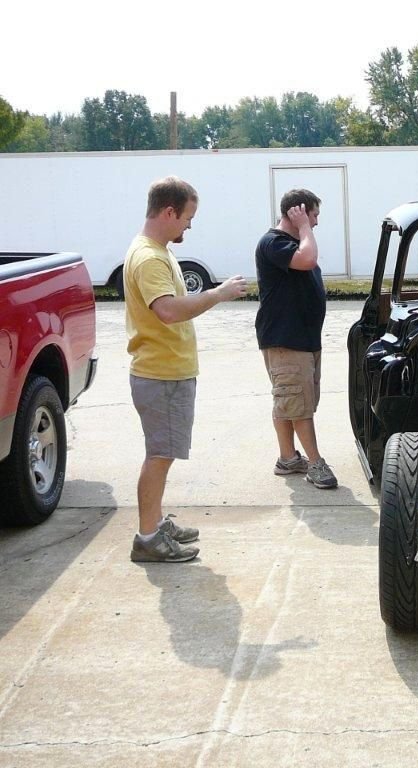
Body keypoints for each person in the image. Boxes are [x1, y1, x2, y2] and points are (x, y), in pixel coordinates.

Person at [124, 176, 247, 563]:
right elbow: (167, 310)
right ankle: (147, 537)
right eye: (187, 217)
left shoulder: (156, 251)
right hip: (160, 375)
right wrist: (217, 293)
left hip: (167, 372)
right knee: (159, 455)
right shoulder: (149, 257)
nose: (189, 226)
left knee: (163, 453)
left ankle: (156, 522)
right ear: (169, 211)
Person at [254, 189, 337, 490]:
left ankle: (288, 458)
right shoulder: (274, 242)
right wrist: (303, 227)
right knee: (297, 402)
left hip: (301, 338)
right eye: (313, 215)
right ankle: (315, 463)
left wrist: (304, 230)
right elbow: (307, 259)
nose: (315, 223)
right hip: (286, 340)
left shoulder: (291, 243)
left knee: (290, 399)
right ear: (297, 212)